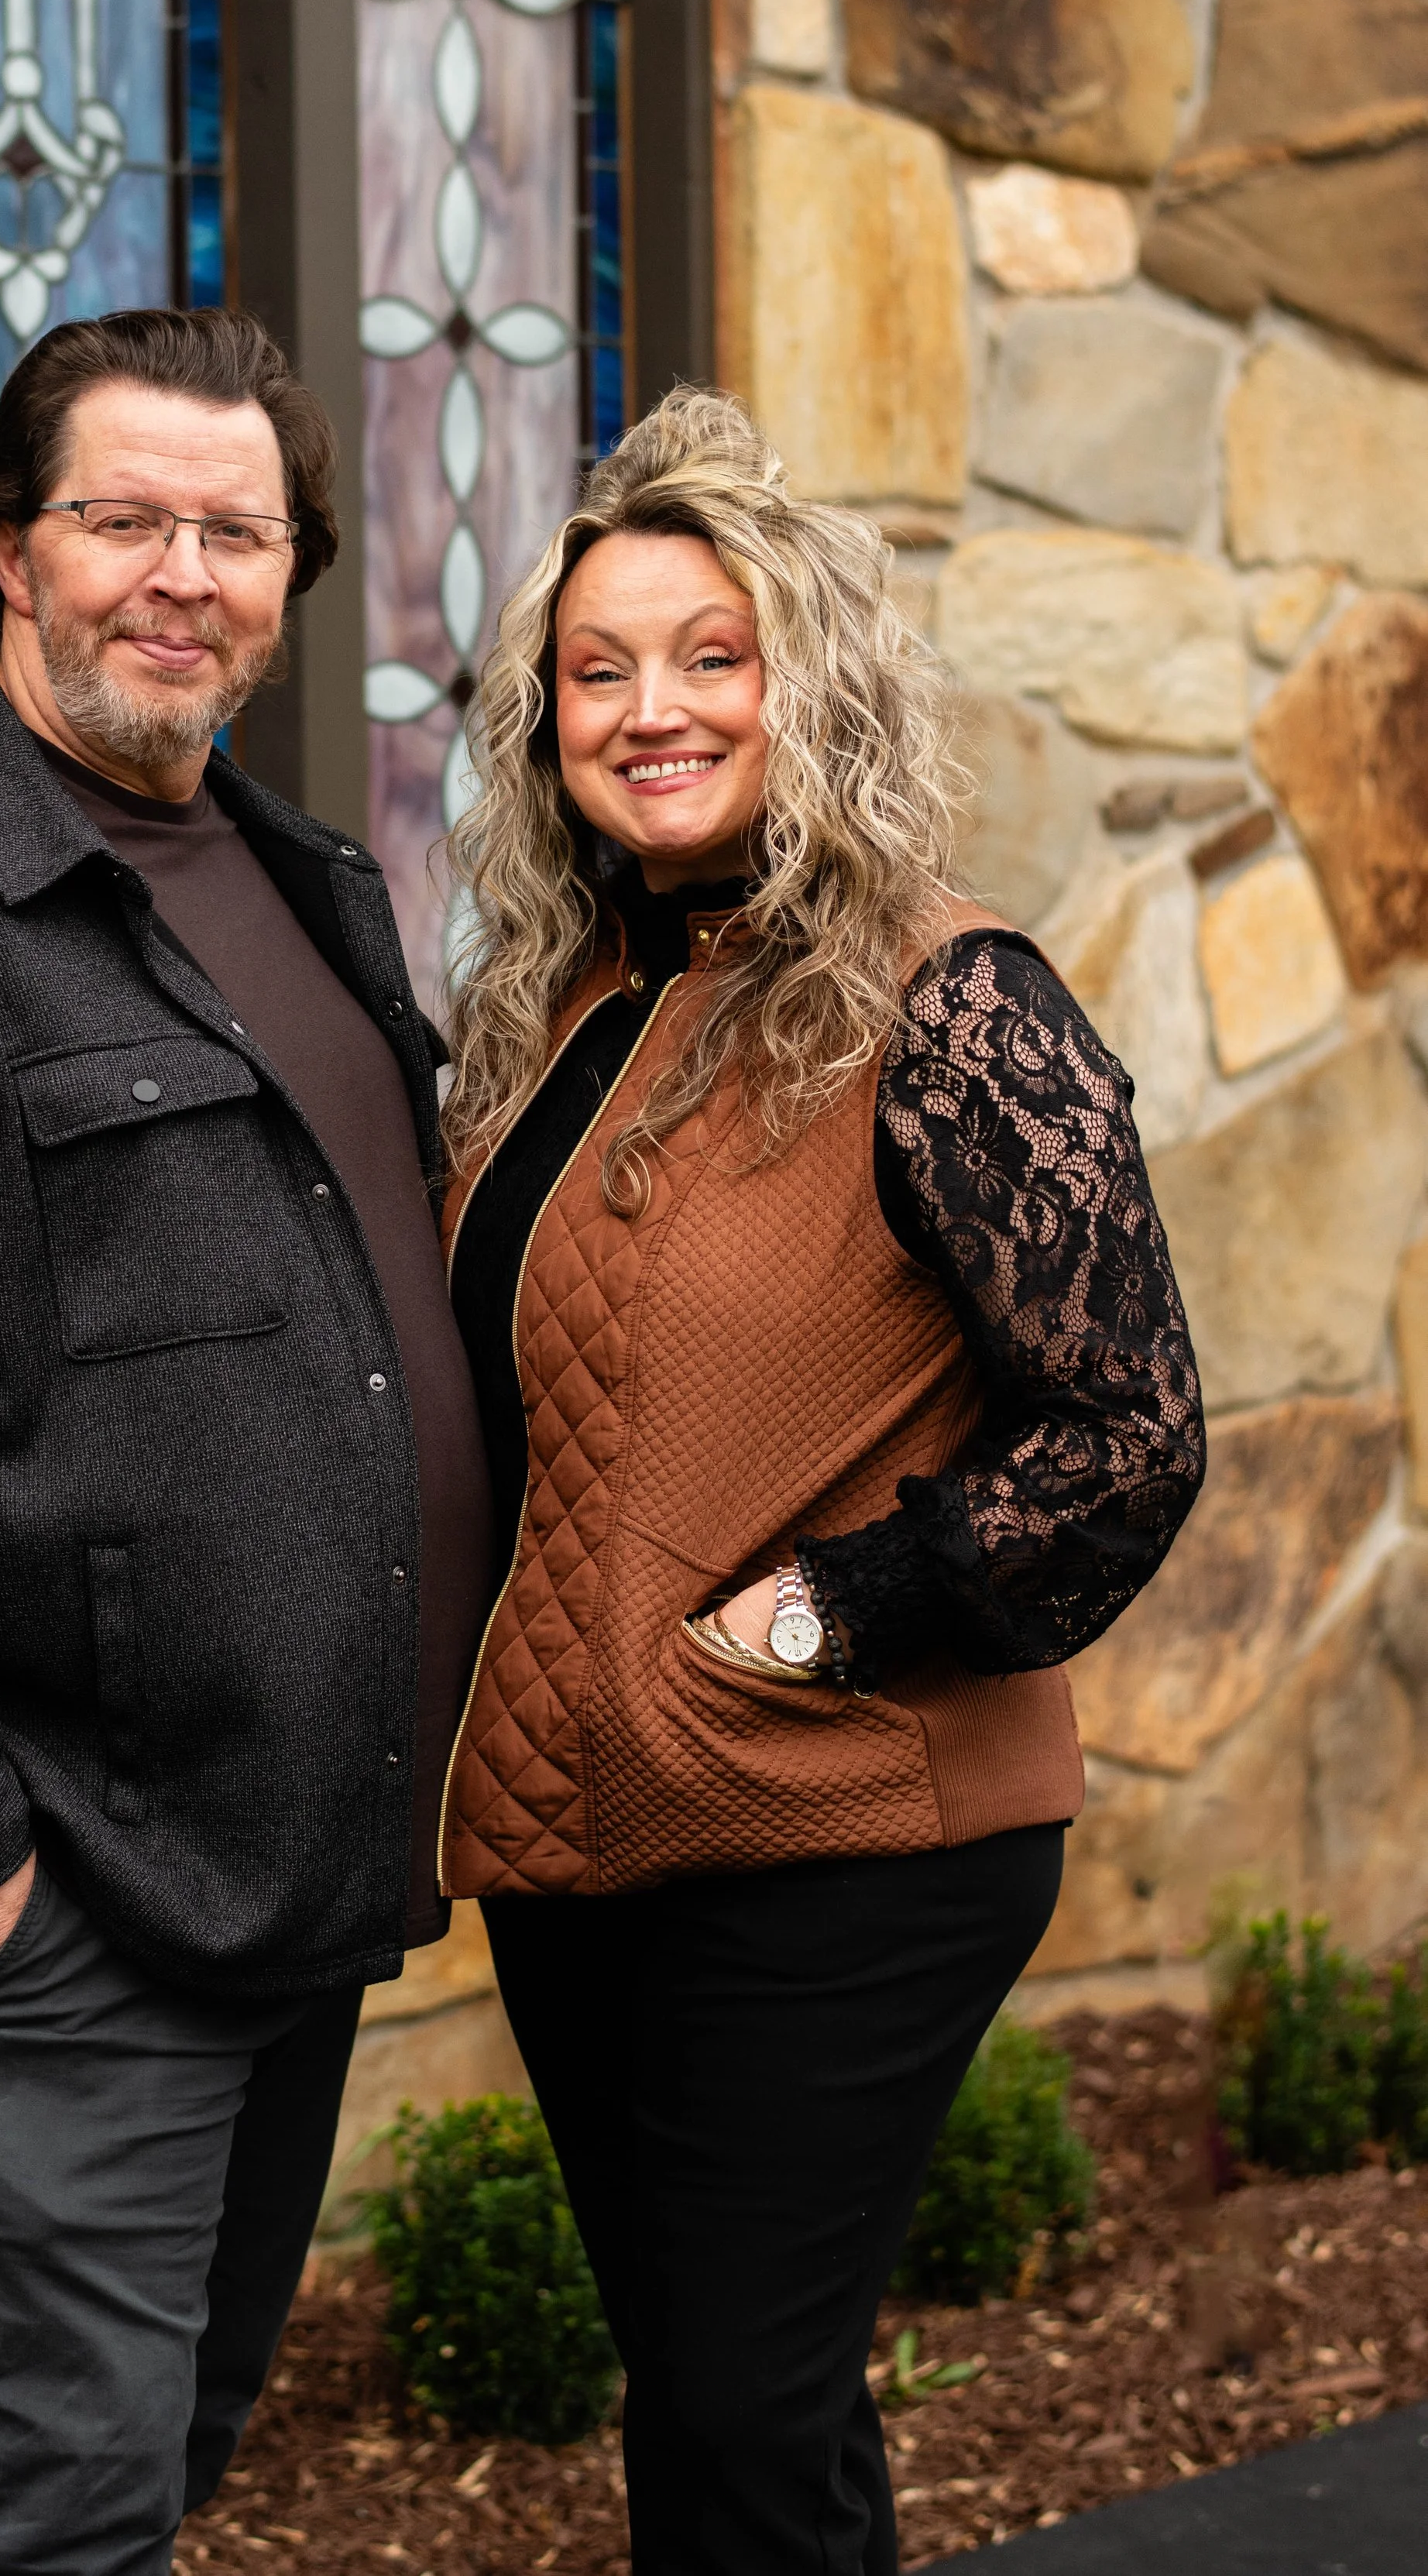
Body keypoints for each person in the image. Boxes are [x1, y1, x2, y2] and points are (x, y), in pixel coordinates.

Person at [0, 307, 495, 2574]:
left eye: (233, 528)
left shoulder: (302, 882)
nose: (182, 571)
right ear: (9, 555)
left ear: (288, 572)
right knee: (48, 2511)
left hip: (281, 1873)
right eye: (122, 516)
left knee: (161, 2454)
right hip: (62, 1912)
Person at [436, 387, 1206, 2576]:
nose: (648, 708)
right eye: (599, 669)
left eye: (711, 655)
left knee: (736, 2412)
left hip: (839, 1830)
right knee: (722, 2407)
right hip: (585, 1839)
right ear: (545, 716)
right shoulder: (555, 1005)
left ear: (812, 684)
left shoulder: (949, 1001)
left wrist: (818, 1617)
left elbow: (1128, 1438)